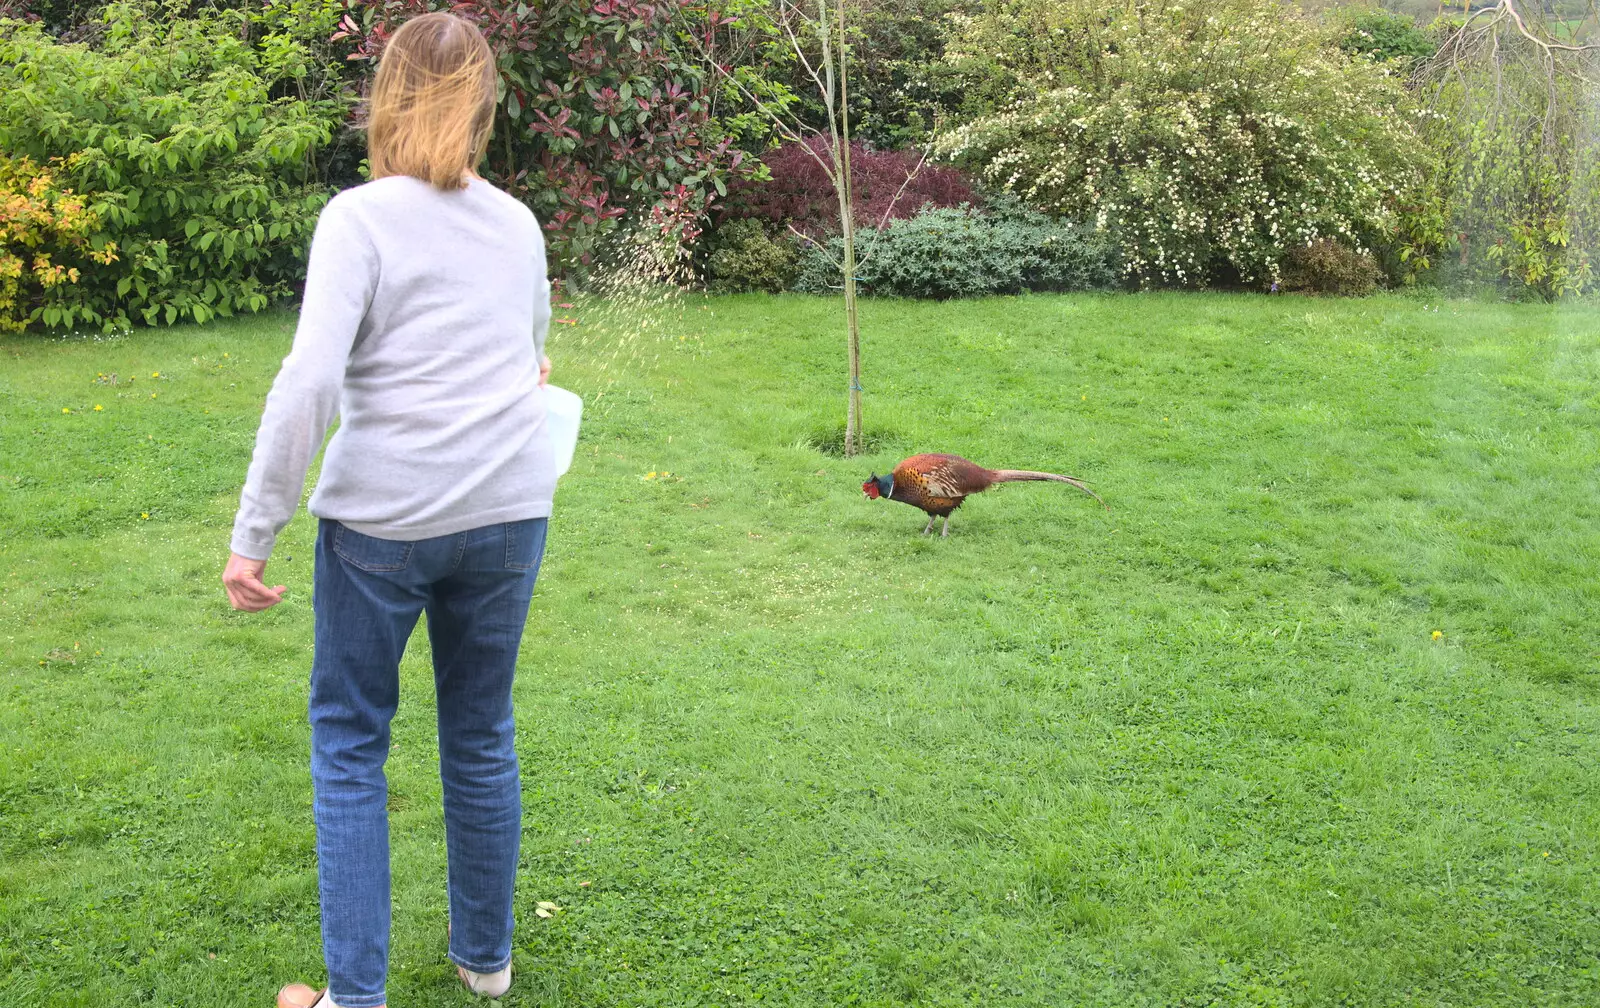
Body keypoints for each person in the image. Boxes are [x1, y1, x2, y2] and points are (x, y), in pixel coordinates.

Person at [221, 13, 557, 1007]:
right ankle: (484, 962)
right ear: (484, 106)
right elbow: (535, 355)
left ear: (387, 97)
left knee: (351, 741)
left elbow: (307, 382)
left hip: (383, 528)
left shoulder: (357, 218)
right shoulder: (518, 222)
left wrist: (253, 534)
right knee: (480, 731)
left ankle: (354, 999)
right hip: (507, 512)